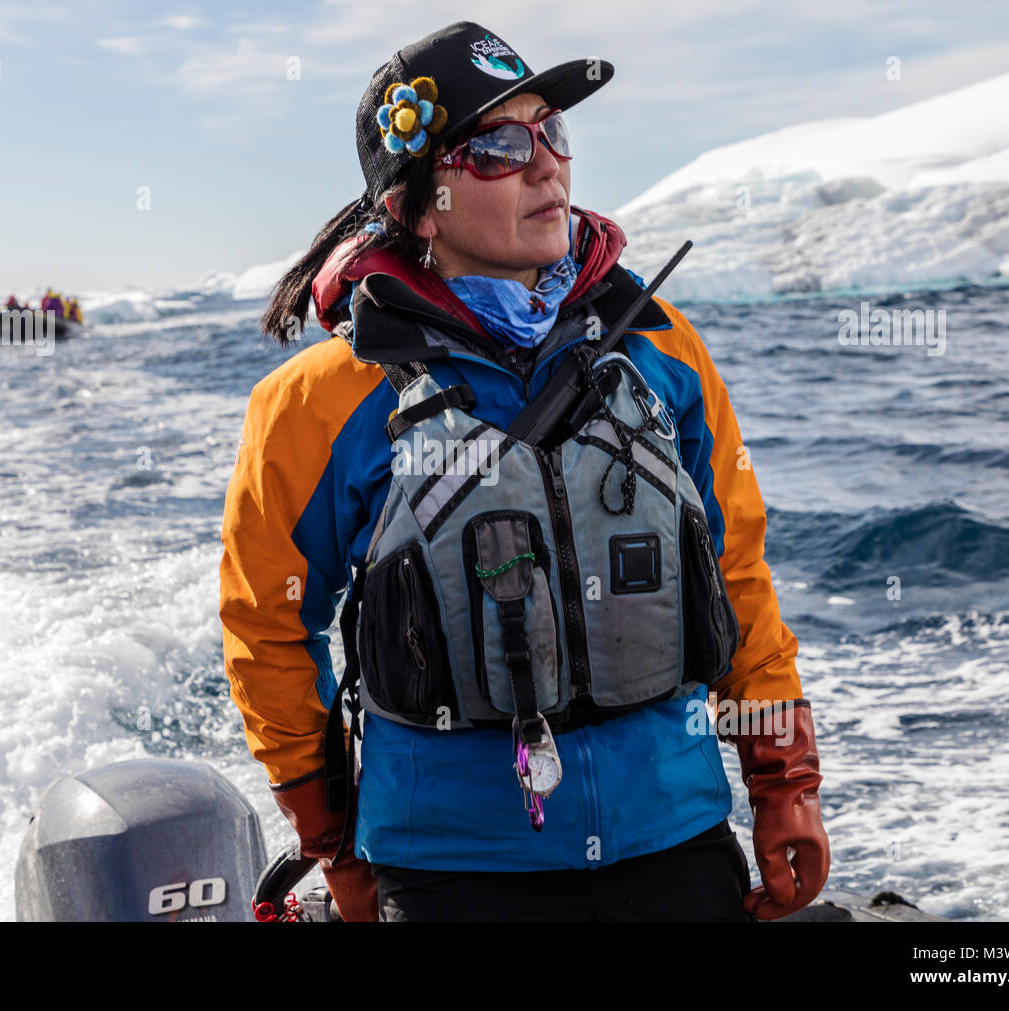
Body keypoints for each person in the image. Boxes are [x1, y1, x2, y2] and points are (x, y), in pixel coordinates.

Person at [220, 21, 829, 922]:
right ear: (417, 207)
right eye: (500, 146)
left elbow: (737, 573)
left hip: (674, 833)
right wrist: (332, 844)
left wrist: (784, 781)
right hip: (449, 866)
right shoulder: (317, 404)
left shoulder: (663, 350)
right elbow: (270, 629)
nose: (546, 165)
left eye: (553, 132)